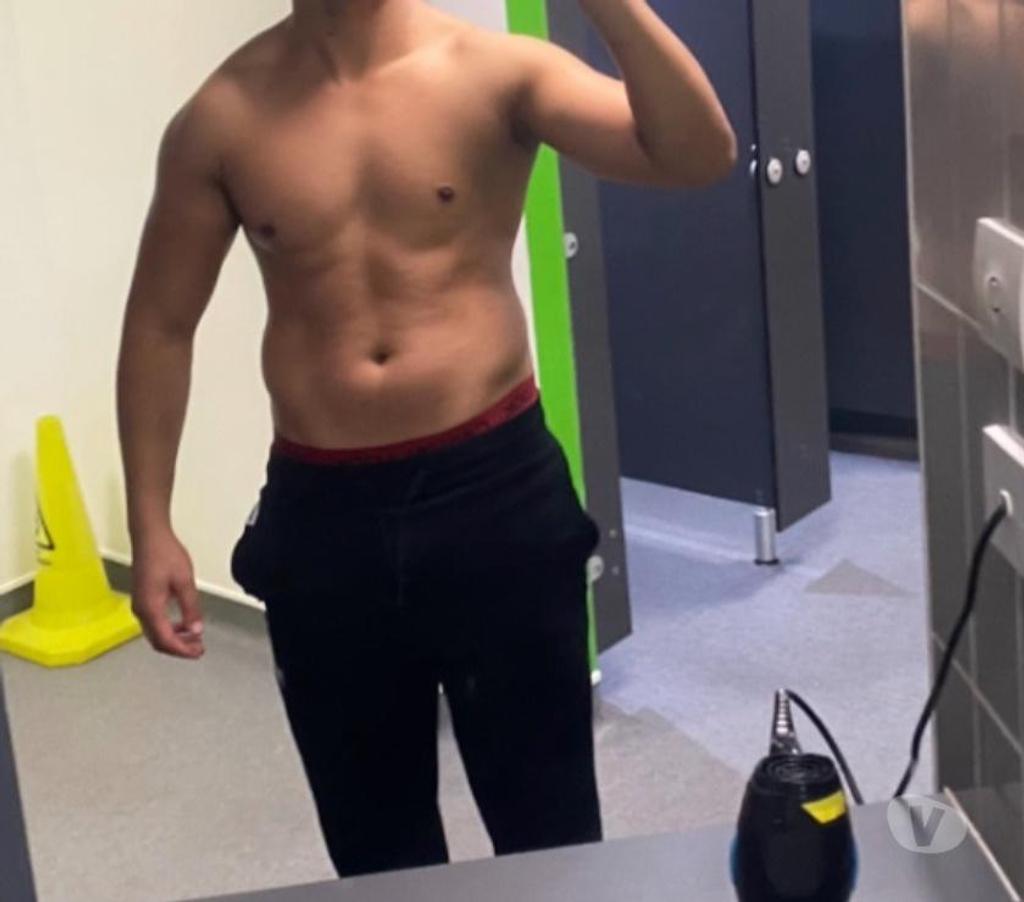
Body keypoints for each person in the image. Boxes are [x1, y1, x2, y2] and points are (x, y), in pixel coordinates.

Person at [115, 0, 736, 879]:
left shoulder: (497, 72)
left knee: (549, 829)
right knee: (376, 848)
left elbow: (697, 155)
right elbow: (160, 326)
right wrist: (150, 523)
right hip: (323, 521)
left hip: (494, 494)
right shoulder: (221, 118)